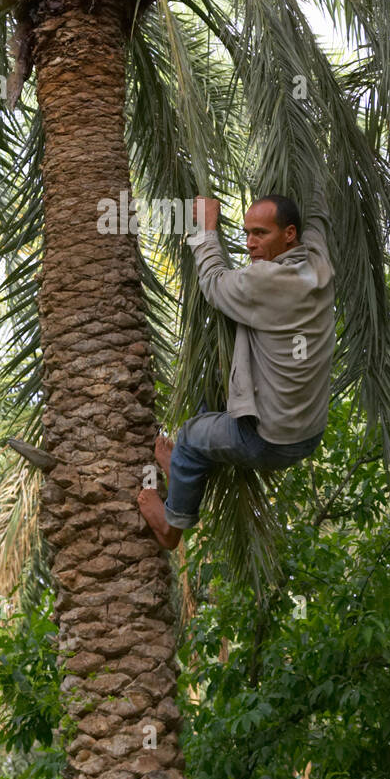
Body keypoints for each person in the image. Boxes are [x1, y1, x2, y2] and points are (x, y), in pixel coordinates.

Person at [137, 183, 335, 549]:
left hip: (270, 441)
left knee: (194, 434)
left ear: (290, 234)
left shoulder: (266, 280)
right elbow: (319, 215)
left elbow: (213, 282)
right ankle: (181, 467)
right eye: (246, 233)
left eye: (260, 233)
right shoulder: (318, 262)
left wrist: (206, 227)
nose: (249, 243)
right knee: (216, 380)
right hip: (309, 431)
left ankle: (172, 525)